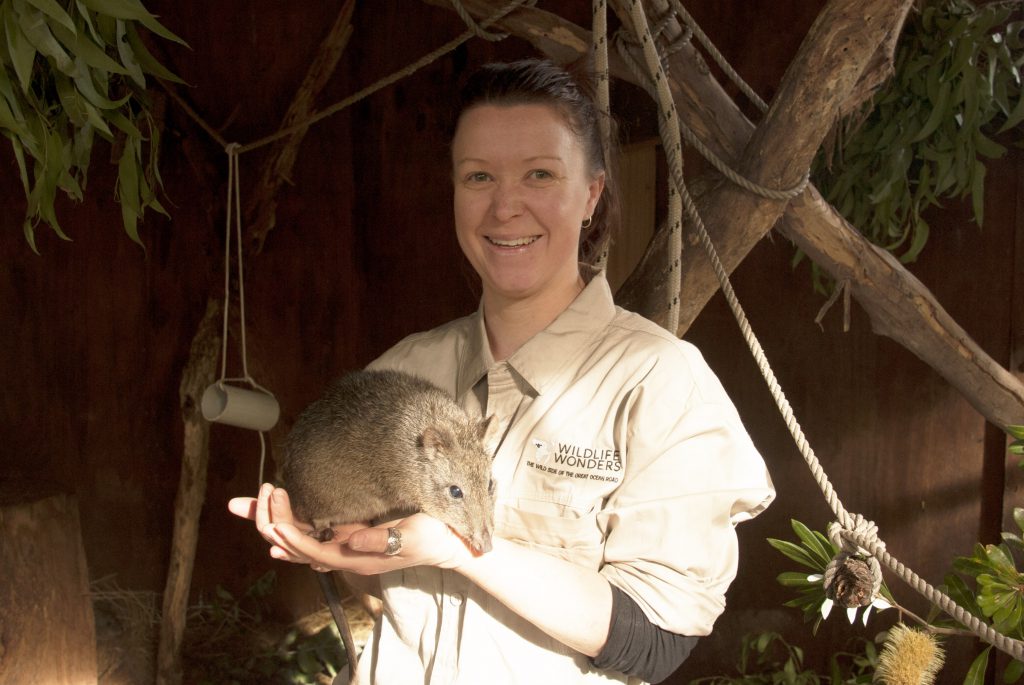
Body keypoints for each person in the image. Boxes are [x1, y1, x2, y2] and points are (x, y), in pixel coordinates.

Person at [229, 58, 774, 685]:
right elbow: (378, 580)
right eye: (479, 176)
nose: (504, 207)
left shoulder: (659, 381)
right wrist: (330, 542)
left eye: (540, 174)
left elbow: (655, 640)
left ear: (592, 192)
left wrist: (464, 553)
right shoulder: (402, 373)